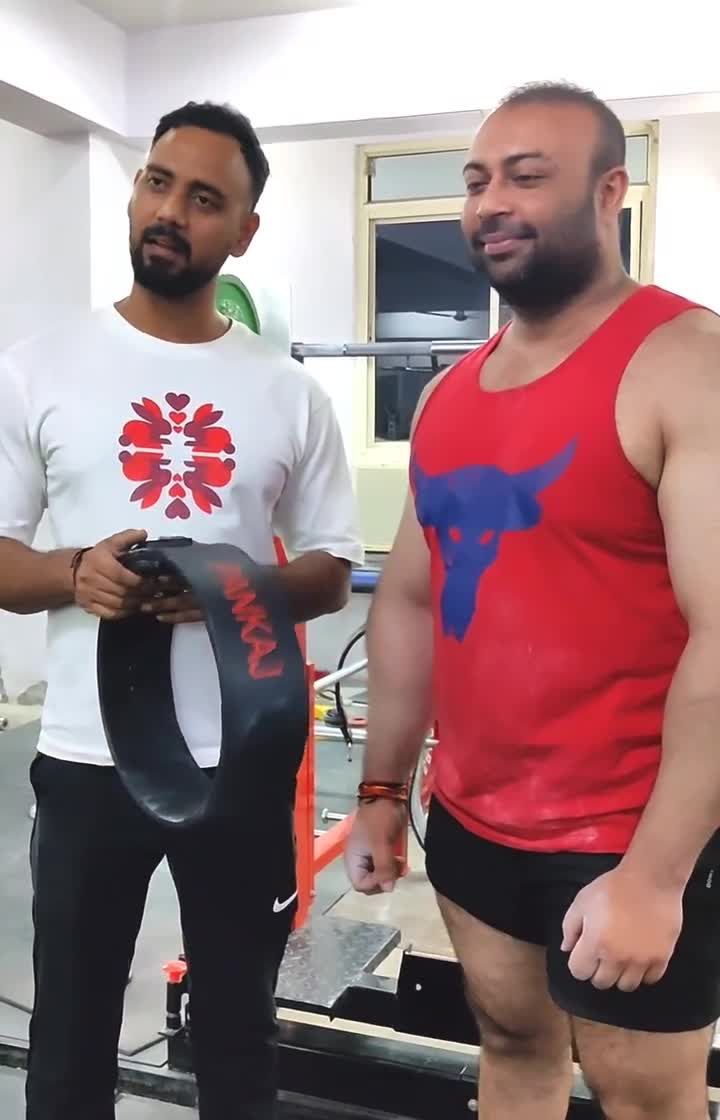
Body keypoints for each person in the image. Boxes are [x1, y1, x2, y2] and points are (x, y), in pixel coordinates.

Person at [346, 81, 720, 1120]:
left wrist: (655, 875)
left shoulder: (687, 363)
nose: (491, 203)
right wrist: (381, 789)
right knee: (511, 1046)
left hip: (631, 828)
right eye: (476, 181)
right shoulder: (447, 395)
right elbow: (411, 603)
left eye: (526, 176)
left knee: (646, 1095)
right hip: (476, 817)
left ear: (609, 193)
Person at [0, 100, 363, 1120]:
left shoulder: (288, 394)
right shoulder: (37, 369)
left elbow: (333, 569)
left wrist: (227, 589)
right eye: (158, 183)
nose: (171, 211)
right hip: (86, 756)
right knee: (68, 1038)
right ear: (135, 193)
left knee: (239, 1034)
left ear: (243, 232)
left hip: (238, 758)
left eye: (205, 199)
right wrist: (76, 572)